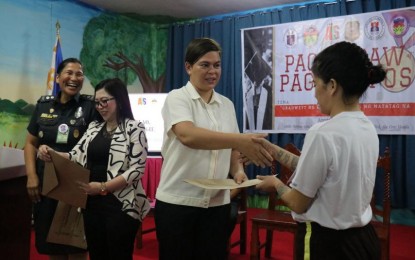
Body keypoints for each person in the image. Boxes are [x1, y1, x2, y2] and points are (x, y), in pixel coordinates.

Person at [252, 41, 386, 259]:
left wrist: (275, 184)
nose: (314, 93)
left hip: (327, 244)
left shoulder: (323, 132)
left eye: (315, 84)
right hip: (363, 242)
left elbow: (298, 202)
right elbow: (326, 169)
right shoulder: (367, 127)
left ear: (332, 86)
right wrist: (273, 149)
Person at [154, 38, 273, 260]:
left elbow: (232, 150)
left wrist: (237, 170)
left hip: (217, 204)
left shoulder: (226, 104)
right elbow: (187, 135)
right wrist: (239, 140)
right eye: (205, 65)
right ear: (188, 67)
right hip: (179, 203)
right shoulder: (177, 98)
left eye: (217, 65)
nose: (212, 71)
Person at [37, 78, 150, 260]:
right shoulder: (94, 127)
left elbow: (137, 169)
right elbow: (75, 155)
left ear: (119, 100)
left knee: (119, 254)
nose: (100, 106)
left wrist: (104, 187)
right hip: (92, 202)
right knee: (97, 253)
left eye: (105, 101)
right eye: (97, 102)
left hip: (122, 204)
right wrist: (51, 152)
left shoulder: (134, 128)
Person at [24, 57, 96, 260]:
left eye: (79, 74)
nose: (74, 78)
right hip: (46, 186)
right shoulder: (43, 106)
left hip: (76, 187)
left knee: (76, 246)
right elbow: (30, 144)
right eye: (69, 73)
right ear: (58, 78)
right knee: (51, 247)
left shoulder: (90, 107)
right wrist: (31, 176)